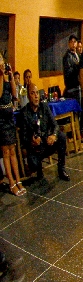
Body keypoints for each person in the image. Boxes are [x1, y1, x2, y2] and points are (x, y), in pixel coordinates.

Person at [18, 84, 70, 182]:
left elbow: (55, 125)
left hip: (47, 142)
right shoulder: (24, 113)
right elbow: (23, 136)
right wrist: (31, 140)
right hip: (35, 148)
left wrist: (53, 135)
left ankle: (61, 169)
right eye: (32, 93)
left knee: (62, 137)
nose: (36, 96)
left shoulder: (44, 107)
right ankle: (39, 171)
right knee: (33, 165)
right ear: (28, 96)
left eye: (37, 93)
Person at [0, 57, 23, 196]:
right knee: (6, 152)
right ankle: (11, 183)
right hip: (0, 120)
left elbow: (14, 95)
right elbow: (0, 93)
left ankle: (18, 180)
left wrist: (11, 77)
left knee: (13, 150)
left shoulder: (7, 77)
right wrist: (1, 76)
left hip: (9, 119)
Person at [62, 34, 81, 100]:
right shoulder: (67, 56)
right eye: (71, 42)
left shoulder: (78, 55)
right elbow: (68, 72)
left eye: (75, 42)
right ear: (69, 43)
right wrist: (78, 67)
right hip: (72, 88)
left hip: (79, 86)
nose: (73, 44)